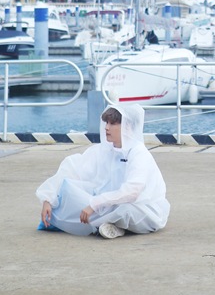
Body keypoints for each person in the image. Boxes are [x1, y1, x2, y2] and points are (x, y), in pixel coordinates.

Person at [36, 101, 170, 239]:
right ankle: (106, 225)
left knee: (125, 210)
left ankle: (111, 225)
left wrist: (95, 204)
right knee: (69, 188)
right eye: (106, 123)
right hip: (106, 203)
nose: (107, 127)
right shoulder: (104, 150)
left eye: (113, 124)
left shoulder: (138, 153)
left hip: (141, 208)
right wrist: (49, 199)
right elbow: (73, 169)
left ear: (127, 126)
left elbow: (133, 191)